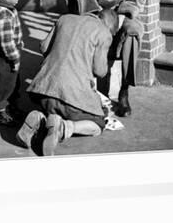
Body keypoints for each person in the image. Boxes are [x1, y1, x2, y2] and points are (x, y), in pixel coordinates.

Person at [16, 9, 119, 156]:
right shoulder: (104, 33)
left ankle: (39, 118)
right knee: (99, 124)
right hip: (70, 97)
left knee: (55, 109)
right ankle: (64, 127)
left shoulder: (64, 18)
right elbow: (100, 71)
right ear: (109, 26)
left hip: (42, 91)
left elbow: (43, 47)